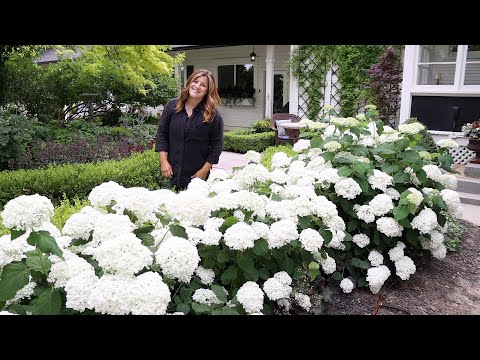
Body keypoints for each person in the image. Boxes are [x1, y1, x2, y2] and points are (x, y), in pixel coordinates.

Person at [155, 69, 224, 190]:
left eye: (203, 85)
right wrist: (163, 161)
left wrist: (204, 171)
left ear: (208, 90)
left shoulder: (212, 115)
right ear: (189, 82)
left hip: (196, 177)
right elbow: (162, 134)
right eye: (195, 81)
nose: (197, 86)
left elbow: (217, 146)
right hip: (172, 174)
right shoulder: (172, 106)